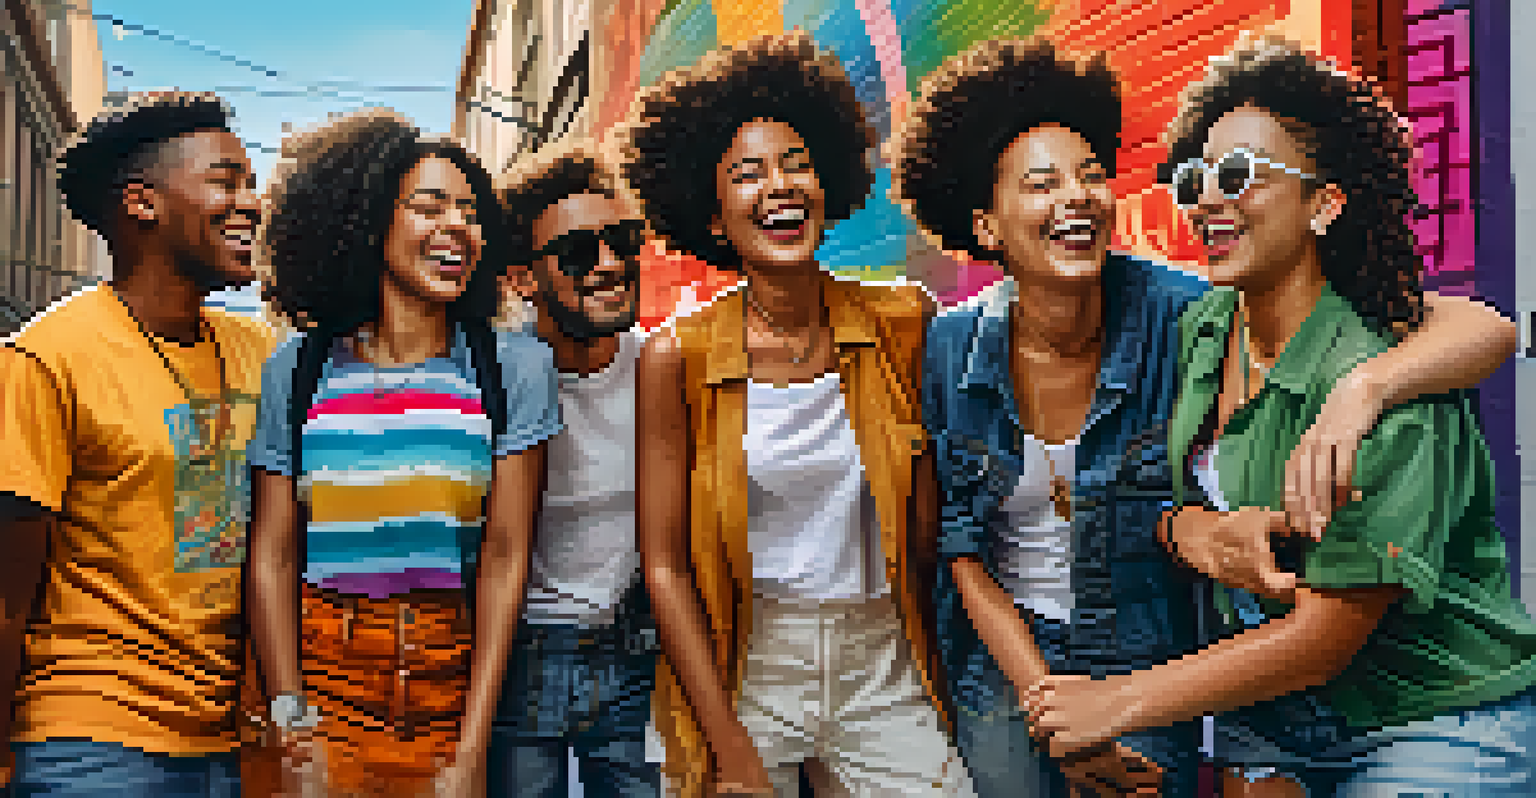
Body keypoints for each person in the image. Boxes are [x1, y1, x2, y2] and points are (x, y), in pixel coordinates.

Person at [892, 38, 1522, 797]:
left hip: (1373, 703)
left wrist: (1365, 391)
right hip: (1207, 700)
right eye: (1197, 179)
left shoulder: (1178, 313)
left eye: (1092, 175)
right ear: (985, 225)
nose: (1076, 198)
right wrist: (1188, 532)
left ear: (1323, 203)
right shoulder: (1195, 327)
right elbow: (964, 541)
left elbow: (1477, 327)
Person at [620, 30, 974, 797]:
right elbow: (665, 565)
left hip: (882, 653)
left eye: (798, 164)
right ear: (713, 216)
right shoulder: (676, 357)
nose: (779, 186)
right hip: (747, 661)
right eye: (748, 174)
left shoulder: (903, 322)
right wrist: (729, 745)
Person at [245, 109, 560, 798]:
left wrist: (472, 748)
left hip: (451, 690)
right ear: (368, 221)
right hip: (323, 688)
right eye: (430, 207)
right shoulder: (298, 370)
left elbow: (506, 560)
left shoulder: (513, 368)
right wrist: (293, 723)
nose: (457, 227)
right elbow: (272, 554)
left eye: (471, 212)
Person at [0, 92, 276, 797]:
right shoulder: (48, 356)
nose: (250, 202)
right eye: (226, 181)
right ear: (141, 203)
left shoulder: (258, 351)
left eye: (250, 182)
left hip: (228, 740)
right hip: (88, 740)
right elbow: (6, 594)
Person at [485, 139, 660, 797]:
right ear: (523, 278)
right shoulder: (493, 378)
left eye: (623, 239)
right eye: (579, 252)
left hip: (633, 654)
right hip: (518, 666)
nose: (610, 264)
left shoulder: (660, 367)